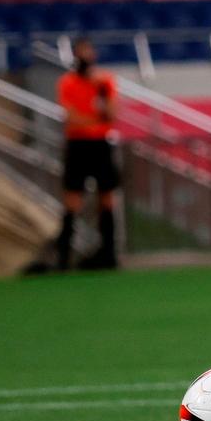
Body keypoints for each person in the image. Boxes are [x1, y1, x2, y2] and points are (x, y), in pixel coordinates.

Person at [55, 38, 120, 270]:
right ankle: (63, 257)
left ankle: (109, 253)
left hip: (100, 145)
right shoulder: (68, 82)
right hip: (78, 146)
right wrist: (95, 121)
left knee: (107, 198)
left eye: (89, 51)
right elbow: (71, 117)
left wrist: (101, 93)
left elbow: (112, 114)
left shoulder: (105, 82)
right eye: (82, 52)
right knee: (73, 199)